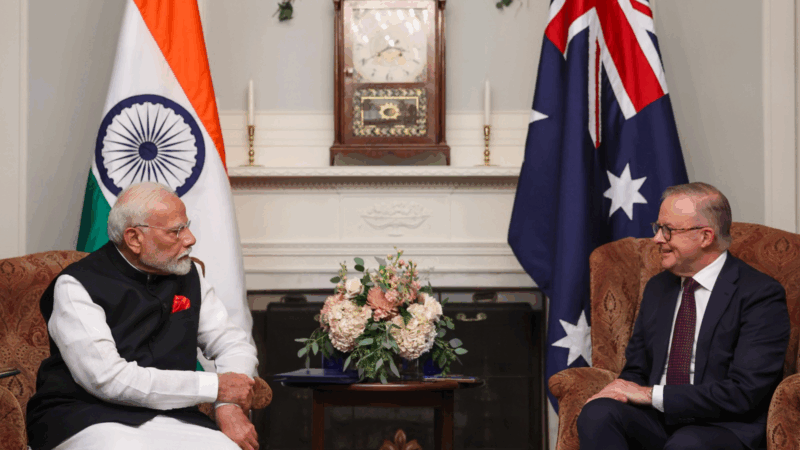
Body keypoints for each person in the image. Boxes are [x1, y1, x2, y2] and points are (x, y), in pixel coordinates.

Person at [26, 182, 261, 450]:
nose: (190, 239)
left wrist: (228, 405)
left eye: (187, 225)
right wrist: (214, 387)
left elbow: (232, 342)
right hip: (87, 416)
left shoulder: (186, 273)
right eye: (176, 231)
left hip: (174, 416)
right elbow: (108, 380)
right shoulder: (76, 285)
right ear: (134, 238)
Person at [577, 182, 790, 450]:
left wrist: (650, 394)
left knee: (686, 444)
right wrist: (618, 391)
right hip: (657, 420)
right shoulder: (658, 287)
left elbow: (744, 392)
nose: (657, 239)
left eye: (668, 230)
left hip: (723, 425)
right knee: (597, 414)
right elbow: (637, 369)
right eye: (658, 228)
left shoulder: (759, 294)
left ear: (705, 236)